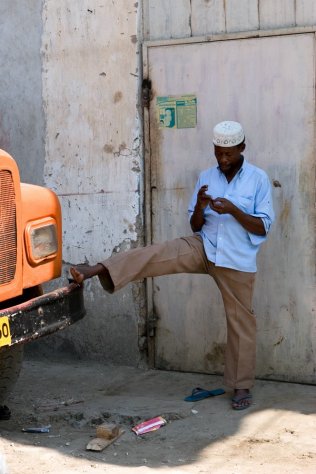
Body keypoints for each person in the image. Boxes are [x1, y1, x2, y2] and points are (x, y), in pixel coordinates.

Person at [70, 120, 274, 410]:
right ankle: (100, 268)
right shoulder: (207, 176)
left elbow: (262, 227)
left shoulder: (258, 179)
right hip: (204, 247)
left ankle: (241, 387)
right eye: (218, 153)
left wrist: (233, 209)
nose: (223, 159)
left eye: (228, 153)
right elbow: (194, 224)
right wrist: (202, 208)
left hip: (237, 259)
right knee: (158, 252)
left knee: (241, 323)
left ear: (242, 148)